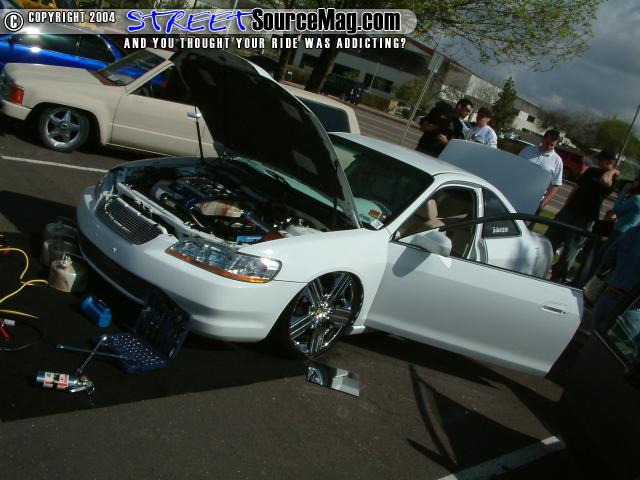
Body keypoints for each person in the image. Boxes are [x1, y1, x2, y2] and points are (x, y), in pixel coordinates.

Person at [546, 149, 619, 282]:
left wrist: (612, 171)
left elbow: (605, 182)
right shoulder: (591, 171)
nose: (598, 161)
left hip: (585, 219)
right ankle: (541, 266)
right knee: (550, 241)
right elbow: (576, 189)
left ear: (609, 161)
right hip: (569, 212)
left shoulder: (612, 178)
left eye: (601, 159)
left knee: (570, 251)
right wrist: (564, 208)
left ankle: (558, 277)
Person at [591, 225, 640, 332]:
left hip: (612, 292)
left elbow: (608, 259)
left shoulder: (632, 232)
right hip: (633, 307)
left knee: (595, 333)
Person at [518, 129, 563, 209]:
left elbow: (555, 185)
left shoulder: (557, 161)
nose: (549, 147)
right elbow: (515, 168)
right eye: (547, 143)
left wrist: (543, 202)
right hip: (516, 192)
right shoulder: (527, 151)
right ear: (542, 139)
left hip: (535, 201)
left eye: (552, 145)